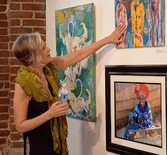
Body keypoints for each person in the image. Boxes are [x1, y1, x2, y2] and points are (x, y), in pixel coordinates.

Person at [12, 25, 126, 155]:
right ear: (34, 55)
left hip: (58, 143)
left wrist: (108, 39)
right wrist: (49, 114)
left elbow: (79, 54)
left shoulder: (49, 68)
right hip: (38, 146)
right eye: (43, 48)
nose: (49, 49)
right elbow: (20, 126)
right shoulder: (23, 83)